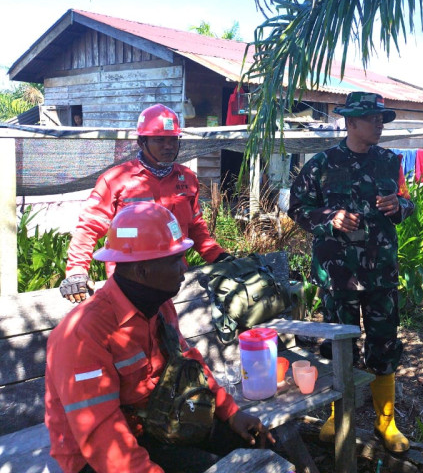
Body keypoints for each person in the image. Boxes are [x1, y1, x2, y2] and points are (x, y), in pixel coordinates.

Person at [45, 203, 270, 473]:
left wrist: (231, 413)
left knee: (255, 445)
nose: (184, 267)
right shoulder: (84, 334)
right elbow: (102, 436)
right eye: (175, 259)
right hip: (99, 456)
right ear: (141, 271)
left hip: (160, 424)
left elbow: (188, 362)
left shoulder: (158, 305)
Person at [288, 91, 414, 452]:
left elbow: (408, 202)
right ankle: (335, 416)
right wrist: (331, 218)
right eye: (372, 119)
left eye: (381, 119)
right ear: (351, 122)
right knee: (338, 347)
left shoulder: (391, 162)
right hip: (337, 274)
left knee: (384, 345)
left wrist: (399, 205)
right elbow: (296, 208)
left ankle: (385, 424)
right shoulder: (322, 164)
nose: (379, 124)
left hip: (381, 273)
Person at [60, 104, 229, 302]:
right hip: (130, 284)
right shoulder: (115, 180)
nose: (169, 146)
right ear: (142, 142)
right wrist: (77, 271)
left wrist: (219, 257)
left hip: (174, 280)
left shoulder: (187, 178)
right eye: (159, 140)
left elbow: (196, 227)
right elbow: (89, 226)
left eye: (173, 140)